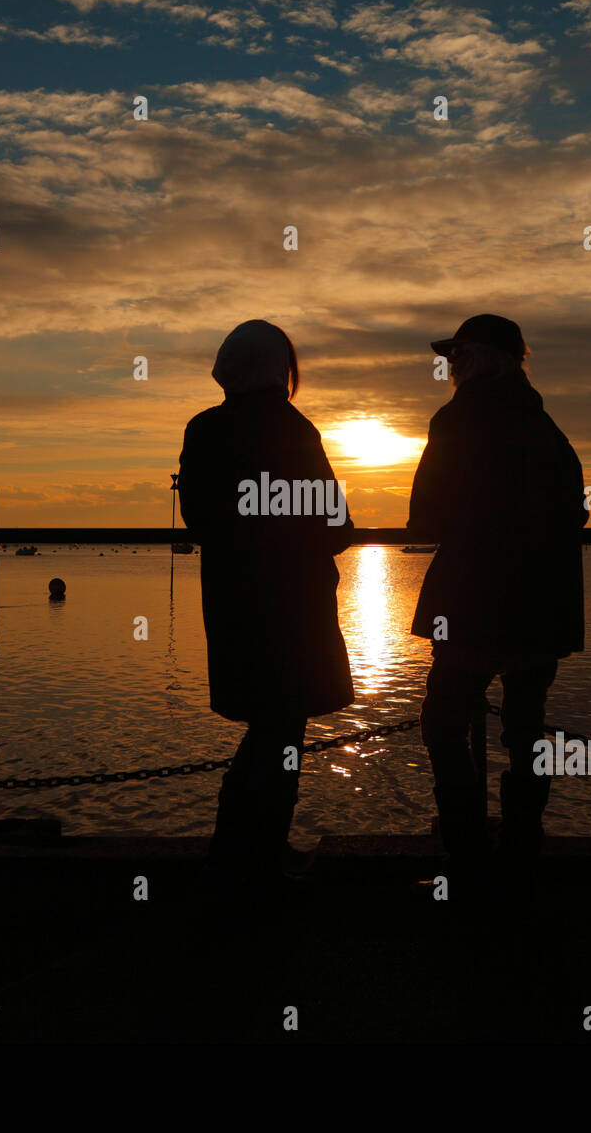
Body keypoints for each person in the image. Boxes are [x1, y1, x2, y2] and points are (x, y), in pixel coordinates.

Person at [408, 314, 587, 882]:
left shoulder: (455, 421)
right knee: (526, 729)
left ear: (487, 356)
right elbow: (577, 511)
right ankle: (520, 845)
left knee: (443, 723)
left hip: (473, 605)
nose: (450, 364)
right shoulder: (547, 427)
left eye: (458, 354)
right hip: (540, 607)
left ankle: (464, 844)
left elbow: (423, 518)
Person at [178, 319, 355, 892]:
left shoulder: (203, 429)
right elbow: (336, 525)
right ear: (281, 370)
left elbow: (202, 520)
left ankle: (243, 852)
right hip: (294, 608)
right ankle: (250, 854)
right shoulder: (294, 430)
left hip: (232, 604)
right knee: (282, 731)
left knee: (267, 726)